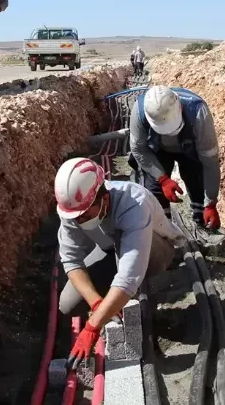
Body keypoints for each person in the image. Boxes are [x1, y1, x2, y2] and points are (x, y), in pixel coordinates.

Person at [55, 157, 185, 369]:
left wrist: (92, 327)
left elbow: (127, 278)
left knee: (125, 264)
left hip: (157, 249)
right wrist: (97, 303)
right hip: (110, 249)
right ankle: (112, 302)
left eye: (84, 215)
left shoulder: (134, 203)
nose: (78, 221)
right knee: (68, 303)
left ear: (104, 198)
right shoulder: (72, 208)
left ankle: (136, 307)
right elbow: (70, 260)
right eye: (75, 217)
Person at [129, 85, 222, 231]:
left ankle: (201, 220)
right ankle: (164, 230)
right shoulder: (140, 111)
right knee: (155, 190)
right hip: (157, 149)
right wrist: (162, 179)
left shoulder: (198, 112)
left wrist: (211, 203)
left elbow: (210, 162)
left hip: (189, 148)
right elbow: (139, 150)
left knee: (196, 178)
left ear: (181, 108)